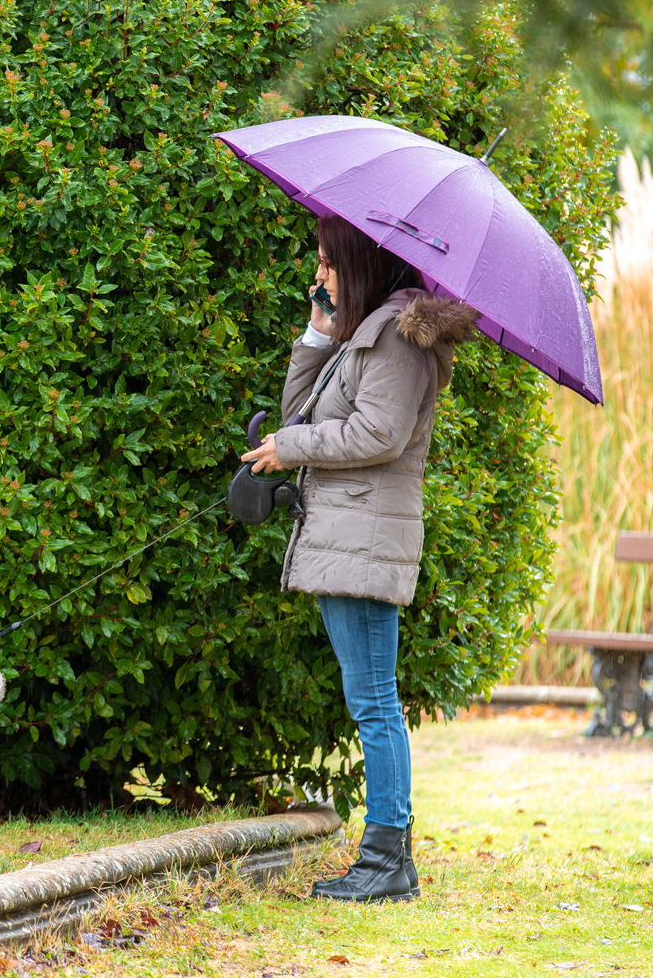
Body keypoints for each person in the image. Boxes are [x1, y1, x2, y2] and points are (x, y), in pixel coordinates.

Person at [241, 214, 478, 903]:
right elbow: (300, 413)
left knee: (374, 702)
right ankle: (386, 859)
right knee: (369, 698)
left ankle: (386, 861)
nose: (319, 274)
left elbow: (380, 431)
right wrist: (318, 331)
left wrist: (295, 448)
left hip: (365, 537)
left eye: (327, 262)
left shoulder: (399, 339)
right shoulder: (365, 331)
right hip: (347, 535)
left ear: (361, 264)